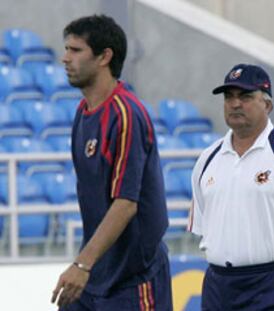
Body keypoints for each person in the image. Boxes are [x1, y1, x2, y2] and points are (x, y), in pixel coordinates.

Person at [52, 15, 172, 310]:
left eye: (76, 50)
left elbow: (126, 204)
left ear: (105, 56)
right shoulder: (84, 111)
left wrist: (82, 265)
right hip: (98, 271)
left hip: (133, 278)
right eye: (66, 49)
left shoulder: (126, 114)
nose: (65, 58)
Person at [187, 63, 274, 310]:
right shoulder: (207, 160)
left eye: (246, 96)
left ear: (268, 105)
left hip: (273, 284)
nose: (235, 103)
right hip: (219, 286)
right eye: (229, 97)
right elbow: (203, 229)